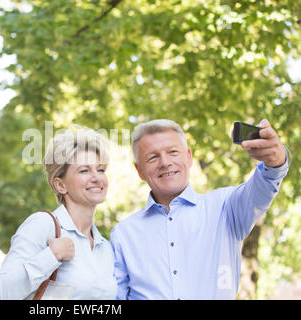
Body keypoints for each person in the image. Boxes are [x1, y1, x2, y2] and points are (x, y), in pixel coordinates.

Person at [110, 119, 290, 300]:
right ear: (139, 170)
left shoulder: (226, 207)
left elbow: (264, 185)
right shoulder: (123, 234)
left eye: (173, 152)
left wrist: (276, 161)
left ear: (189, 157)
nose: (165, 162)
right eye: (153, 157)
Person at [0, 126, 118, 299]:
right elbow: (0, 292)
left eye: (101, 169)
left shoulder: (104, 248)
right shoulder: (43, 225)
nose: (97, 177)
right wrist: (51, 255)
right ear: (60, 185)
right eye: (84, 170)